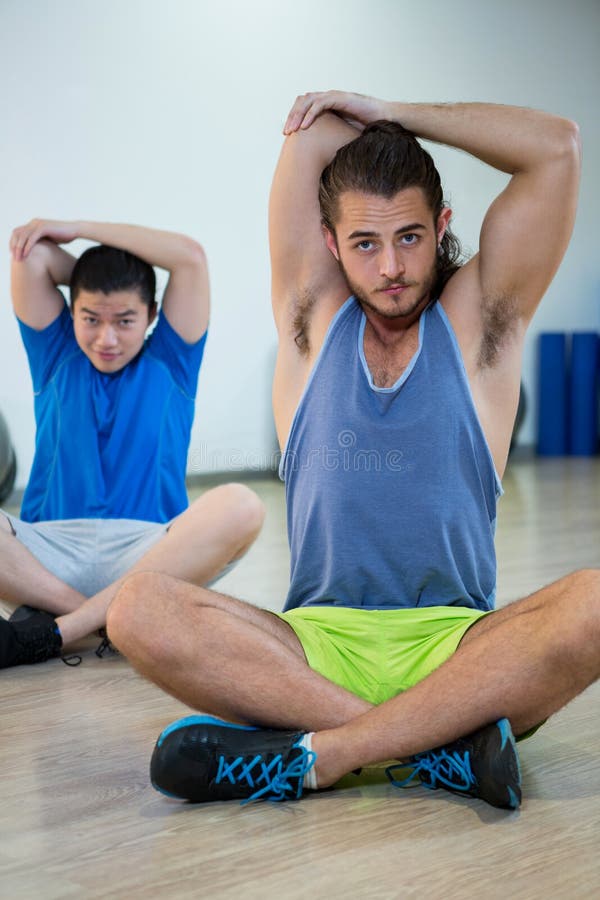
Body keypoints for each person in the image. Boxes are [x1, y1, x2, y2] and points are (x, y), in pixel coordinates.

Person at [106, 92, 594, 811]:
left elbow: (556, 146)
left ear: (442, 228)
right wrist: (354, 115)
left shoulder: (480, 324)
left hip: (458, 652)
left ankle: (321, 754)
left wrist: (390, 109)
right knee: (137, 606)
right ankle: (436, 751)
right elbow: (308, 136)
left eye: (410, 236)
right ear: (330, 244)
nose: (391, 265)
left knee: (592, 603)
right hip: (310, 649)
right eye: (365, 243)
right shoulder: (311, 321)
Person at [0, 219, 264, 668]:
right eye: (90, 318)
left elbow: (190, 258)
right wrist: (88, 276)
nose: (106, 339)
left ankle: (60, 628)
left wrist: (74, 228)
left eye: (125, 320)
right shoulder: (55, 353)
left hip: (148, 558)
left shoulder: (172, 359)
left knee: (242, 504)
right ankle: (109, 618)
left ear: (152, 313)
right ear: (72, 310)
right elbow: (35, 257)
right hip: (49, 555)